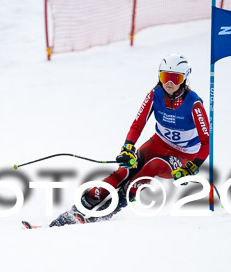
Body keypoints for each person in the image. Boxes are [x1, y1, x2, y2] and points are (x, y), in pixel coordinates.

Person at [50, 53, 211, 227]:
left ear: (185, 79)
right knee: (125, 169)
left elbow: (207, 142)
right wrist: (128, 148)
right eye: (165, 77)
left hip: (183, 155)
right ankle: (84, 204)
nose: (169, 83)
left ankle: (113, 206)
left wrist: (193, 167)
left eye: (175, 78)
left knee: (153, 165)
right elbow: (138, 124)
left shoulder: (194, 104)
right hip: (158, 143)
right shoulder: (155, 94)